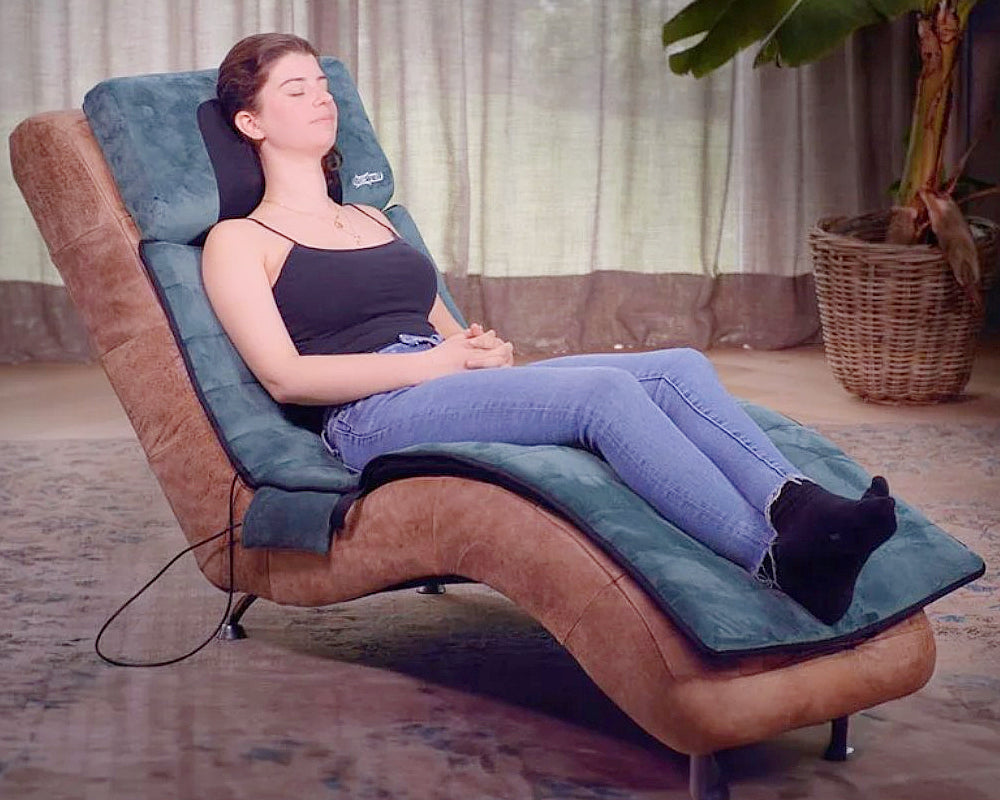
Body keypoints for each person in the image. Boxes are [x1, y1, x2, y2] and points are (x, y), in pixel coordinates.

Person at [203, 33, 897, 625]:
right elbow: (285, 377)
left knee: (678, 366)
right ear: (251, 123)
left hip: (436, 378)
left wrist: (481, 350)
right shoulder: (239, 240)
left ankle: (799, 506)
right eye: (296, 90)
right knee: (602, 394)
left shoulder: (373, 218)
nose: (322, 99)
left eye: (323, 85)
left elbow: (445, 329)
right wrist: (437, 364)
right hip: (368, 415)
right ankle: (775, 561)